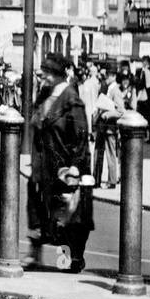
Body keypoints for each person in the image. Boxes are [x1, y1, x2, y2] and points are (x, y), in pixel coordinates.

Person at [28, 53, 95, 273]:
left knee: (67, 216)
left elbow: (81, 135)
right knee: (42, 211)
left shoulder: (71, 99)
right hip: (45, 166)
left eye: (46, 73)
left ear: (57, 75)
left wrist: (76, 165)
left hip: (64, 166)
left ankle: (69, 260)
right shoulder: (45, 95)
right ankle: (35, 256)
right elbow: (38, 123)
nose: (42, 76)